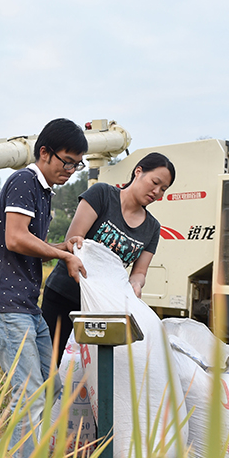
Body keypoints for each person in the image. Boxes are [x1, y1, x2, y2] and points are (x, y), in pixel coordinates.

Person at [0, 118, 89, 458]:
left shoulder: (42, 191)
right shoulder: (24, 181)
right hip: (7, 307)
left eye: (77, 164)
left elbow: (30, 244)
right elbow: (15, 237)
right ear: (45, 152)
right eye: (66, 161)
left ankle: (15, 453)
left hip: (27, 307)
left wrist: (63, 246)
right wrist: (62, 254)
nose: (71, 170)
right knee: (29, 395)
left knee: (49, 387)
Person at [42, 152, 173, 363]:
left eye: (163, 189)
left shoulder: (152, 228)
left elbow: (139, 272)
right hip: (65, 293)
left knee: (102, 368)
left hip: (103, 309)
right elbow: (73, 241)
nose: (157, 192)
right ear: (138, 172)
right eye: (155, 182)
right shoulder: (102, 194)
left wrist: (136, 285)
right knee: (48, 361)